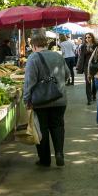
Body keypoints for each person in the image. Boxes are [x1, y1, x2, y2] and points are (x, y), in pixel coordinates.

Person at [23, 32, 70, 167]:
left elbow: (29, 82)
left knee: (42, 128)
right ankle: (59, 153)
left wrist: (26, 100)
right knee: (58, 126)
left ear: (33, 45)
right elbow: (66, 74)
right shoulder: (57, 56)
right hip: (60, 98)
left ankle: (45, 159)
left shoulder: (33, 58)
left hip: (41, 101)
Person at [76, 32, 98, 105]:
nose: (87, 39)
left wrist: (93, 52)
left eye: (89, 37)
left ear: (92, 38)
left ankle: (94, 94)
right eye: (86, 37)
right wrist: (79, 67)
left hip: (94, 66)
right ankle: (89, 99)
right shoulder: (83, 46)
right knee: (88, 82)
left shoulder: (96, 45)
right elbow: (81, 57)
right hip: (86, 66)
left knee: (95, 82)